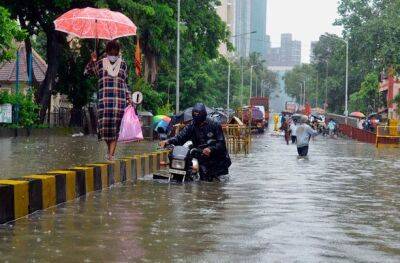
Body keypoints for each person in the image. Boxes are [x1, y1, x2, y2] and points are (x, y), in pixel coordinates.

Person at [159, 103, 231, 181]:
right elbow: (181, 137)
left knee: (213, 183)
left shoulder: (214, 125)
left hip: (217, 159)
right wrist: (168, 141)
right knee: (199, 173)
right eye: (195, 117)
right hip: (201, 155)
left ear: (204, 115)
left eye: (199, 118)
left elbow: (221, 143)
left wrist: (211, 149)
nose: (197, 122)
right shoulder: (192, 125)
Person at [85, 40, 131, 161]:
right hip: (104, 102)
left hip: (119, 102)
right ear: (107, 51)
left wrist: (129, 98)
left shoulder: (123, 65)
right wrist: (93, 60)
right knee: (104, 129)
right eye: (111, 50)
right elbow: (87, 72)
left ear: (118, 51)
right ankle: (110, 153)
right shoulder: (100, 63)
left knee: (115, 129)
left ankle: (110, 155)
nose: (113, 52)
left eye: (115, 50)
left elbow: (125, 83)